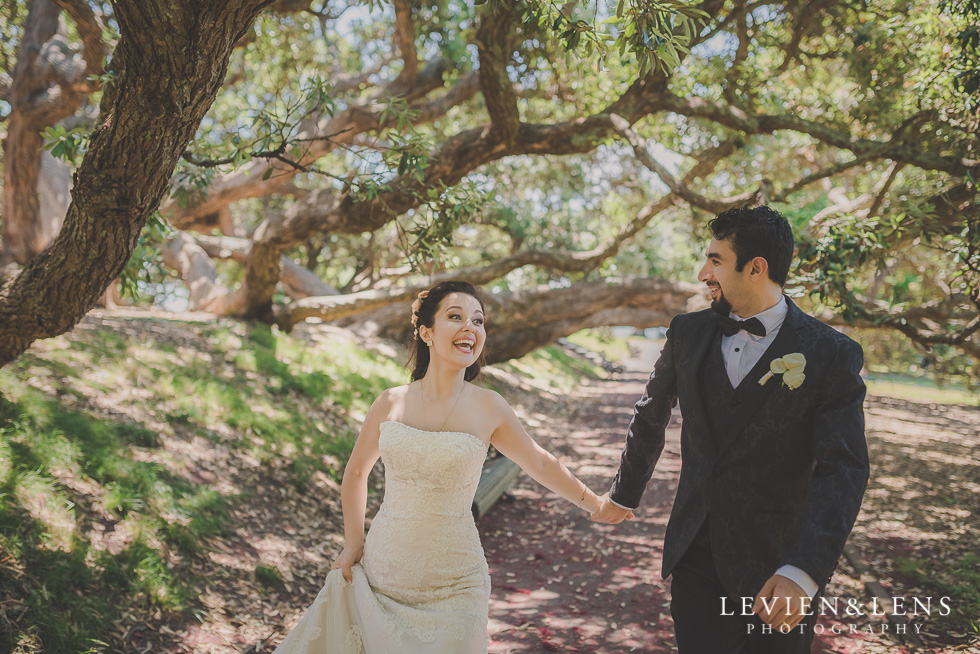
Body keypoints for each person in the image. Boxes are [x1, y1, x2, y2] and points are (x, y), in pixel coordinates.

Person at [592, 205, 870, 653]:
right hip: (696, 556)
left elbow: (845, 469)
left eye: (716, 260)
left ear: (756, 268)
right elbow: (651, 412)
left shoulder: (830, 353)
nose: (704, 273)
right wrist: (624, 493)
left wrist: (804, 571)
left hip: (779, 566)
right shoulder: (687, 332)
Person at [271, 280, 603, 654]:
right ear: (427, 333)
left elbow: (540, 463)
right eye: (456, 317)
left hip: (456, 587)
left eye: (478, 321)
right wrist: (353, 544)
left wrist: (595, 504)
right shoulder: (390, 402)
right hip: (381, 579)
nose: (470, 328)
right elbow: (356, 473)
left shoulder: (490, 407)